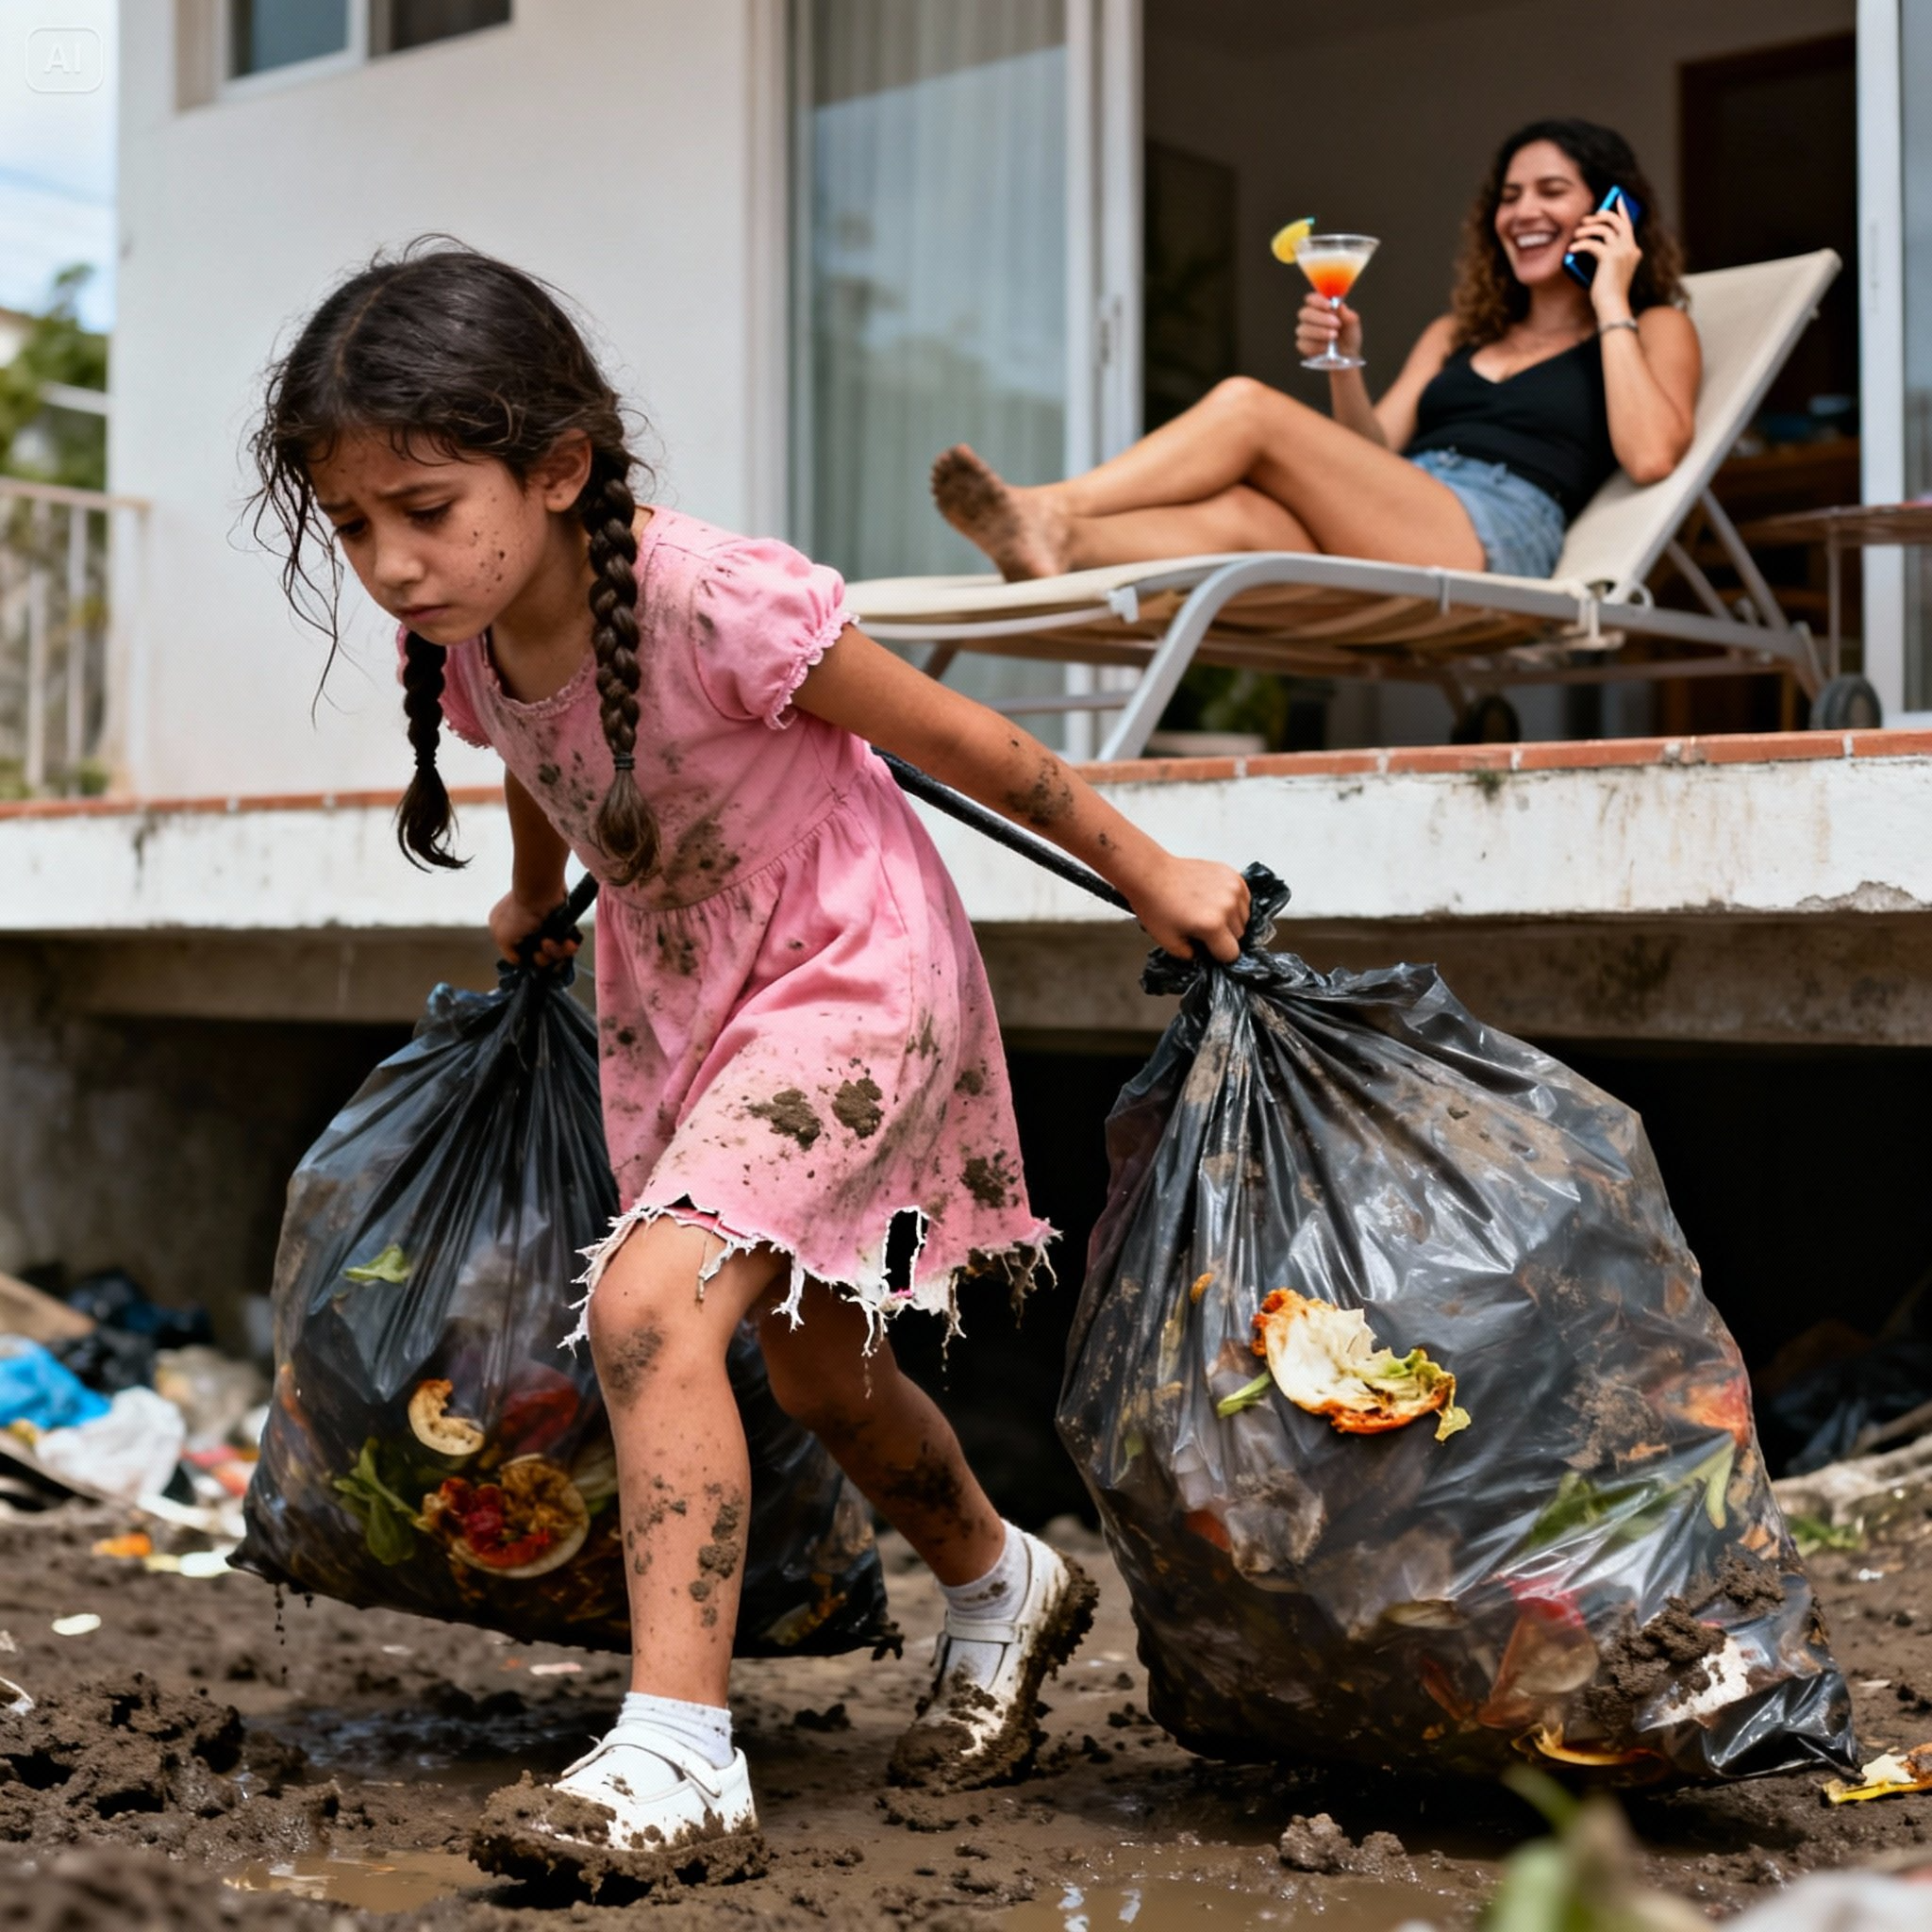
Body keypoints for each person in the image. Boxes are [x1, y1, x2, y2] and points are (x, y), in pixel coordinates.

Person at [246, 243, 1250, 1890]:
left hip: (851, 976)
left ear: (558, 466)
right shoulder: (476, 634)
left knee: (647, 1306)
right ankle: (1003, 1584)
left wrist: (1152, 871)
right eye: (355, 526)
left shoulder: (717, 596)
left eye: (424, 507)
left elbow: (959, 743)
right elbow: (535, 759)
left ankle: (677, 1746)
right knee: (813, 1375)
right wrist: (522, 894)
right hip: (686, 1002)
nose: (392, 563)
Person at [933, 118, 1700, 586]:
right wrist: (1347, 363)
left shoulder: (1650, 326)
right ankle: (1054, 538)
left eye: (1552, 190)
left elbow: (1652, 455)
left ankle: (1053, 502)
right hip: (1407, 509)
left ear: (1612, 208)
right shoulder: (1456, 336)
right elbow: (1371, 453)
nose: (1524, 210)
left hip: (1495, 533)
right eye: (1509, 194)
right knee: (1236, 515)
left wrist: (1608, 299)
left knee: (1247, 407)